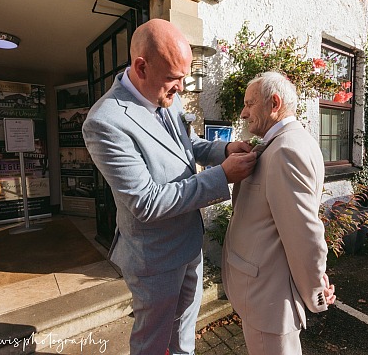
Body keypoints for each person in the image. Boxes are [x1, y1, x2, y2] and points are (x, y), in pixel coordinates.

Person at [82, 18, 257, 355]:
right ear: (141, 67)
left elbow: (185, 143)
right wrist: (222, 175)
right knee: (153, 340)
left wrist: (224, 149)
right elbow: (146, 202)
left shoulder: (168, 95)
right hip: (155, 257)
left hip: (189, 242)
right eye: (174, 78)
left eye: (184, 76)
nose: (181, 87)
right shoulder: (104, 122)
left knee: (184, 335)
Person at [221, 71, 336, 355]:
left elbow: (304, 237)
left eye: (249, 104)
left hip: (270, 304)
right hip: (263, 296)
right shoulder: (281, 143)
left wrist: (316, 294)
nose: (243, 112)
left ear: (274, 103)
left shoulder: (286, 150)